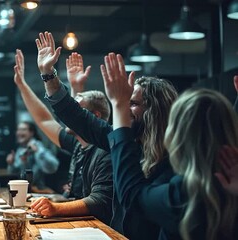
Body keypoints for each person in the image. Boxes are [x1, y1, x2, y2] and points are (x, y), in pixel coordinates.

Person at [36, 31, 178, 239]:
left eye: (133, 103)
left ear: (154, 111)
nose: (124, 109)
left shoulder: (173, 160)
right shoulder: (123, 140)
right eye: (125, 102)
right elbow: (76, 116)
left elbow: (135, 202)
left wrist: (119, 104)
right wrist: (48, 74)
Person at [108, 87, 238, 238]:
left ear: (178, 134)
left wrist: (119, 106)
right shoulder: (230, 190)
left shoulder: (185, 194)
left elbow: (133, 196)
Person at [12, 49, 112, 223]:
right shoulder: (78, 143)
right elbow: (43, 120)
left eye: (74, 110)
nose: (67, 115)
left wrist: (56, 207)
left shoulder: (105, 150)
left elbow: (99, 201)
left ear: (94, 116)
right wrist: (22, 85)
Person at [6, 120, 59, 191]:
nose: (19, 133)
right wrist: (11, 164)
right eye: (18, 130)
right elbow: (16, 172)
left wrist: (38, 151)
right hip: (26, 189)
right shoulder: (20, 149)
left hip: (41, 190)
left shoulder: (38, 146)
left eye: (23, 130)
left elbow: (53, 167)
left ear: (31, 133)